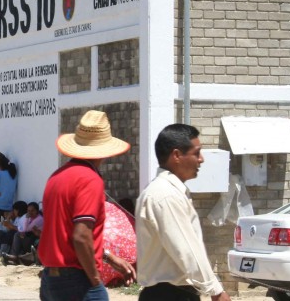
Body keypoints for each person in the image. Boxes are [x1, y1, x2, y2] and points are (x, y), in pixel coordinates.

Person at [38, 110, 136, 301]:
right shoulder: (90, 180)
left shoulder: (57, 177)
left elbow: (66, 235)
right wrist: (94, 278)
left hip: (51, 278)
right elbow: (81, 236)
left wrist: (109, 257)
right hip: (77, 280)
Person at [136, 124, 231, 301]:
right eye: (196, 153)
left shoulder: (167, 191)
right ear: (177, 155)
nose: (201, 159)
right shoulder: (165, 195)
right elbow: (186, 250)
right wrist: (216, 291)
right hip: (169, 294)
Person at [1, 201, 43, 266]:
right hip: (29, 238)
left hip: (34, 240)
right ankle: (13, 257)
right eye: (28, 211)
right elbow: (23, 229)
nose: (30, 213)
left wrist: (26, 218)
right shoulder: (29, 217)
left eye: (32, 211)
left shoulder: (39, 219)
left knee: (17, 234)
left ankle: (13, 257)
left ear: (37, 211)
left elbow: (25, 229)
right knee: (16, 234)